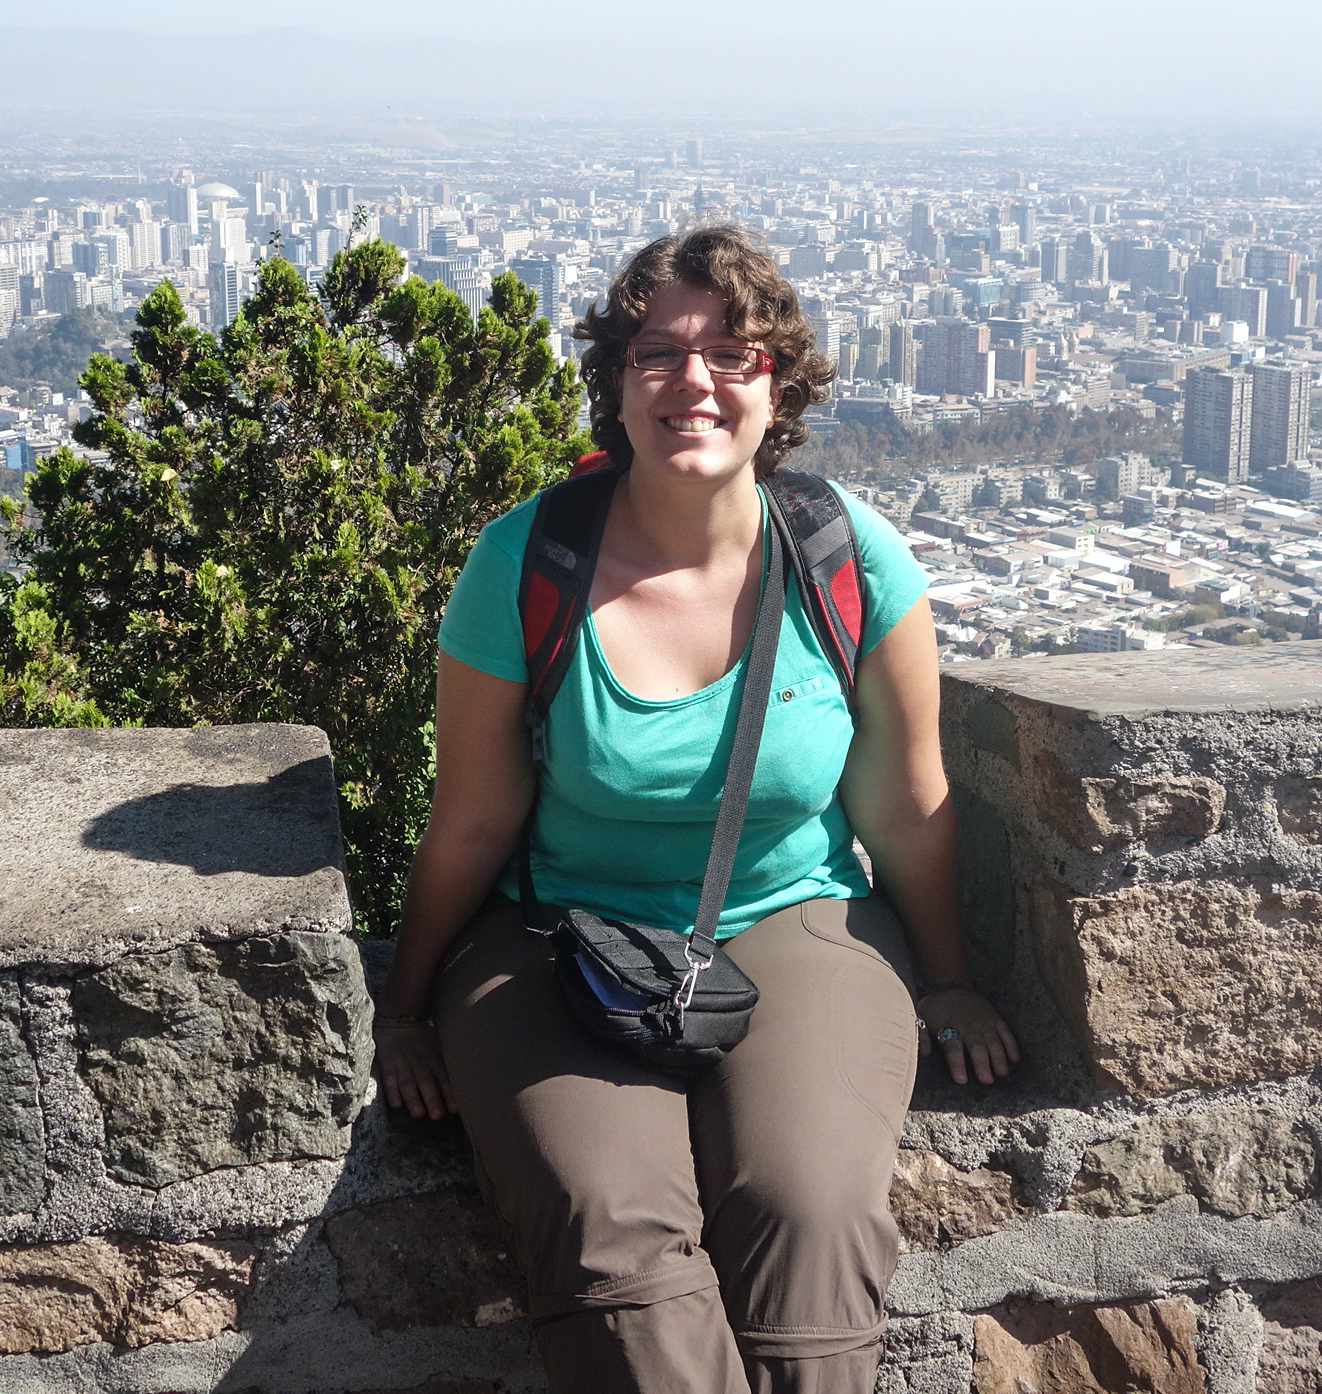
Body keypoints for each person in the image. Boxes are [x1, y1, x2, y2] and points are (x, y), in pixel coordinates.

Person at [371, 221, 1018, 1394]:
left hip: (792, 915)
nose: (694, 381)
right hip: (559, 930)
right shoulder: (528, 564)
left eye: (733, 354)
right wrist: (404, 1005)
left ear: (781, 388)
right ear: (615, 389)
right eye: (657, 355)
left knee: (808, 1204)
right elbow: (467, 816)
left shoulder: (845, 558)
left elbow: (907, 801)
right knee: (604, 1217)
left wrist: (950, 976)